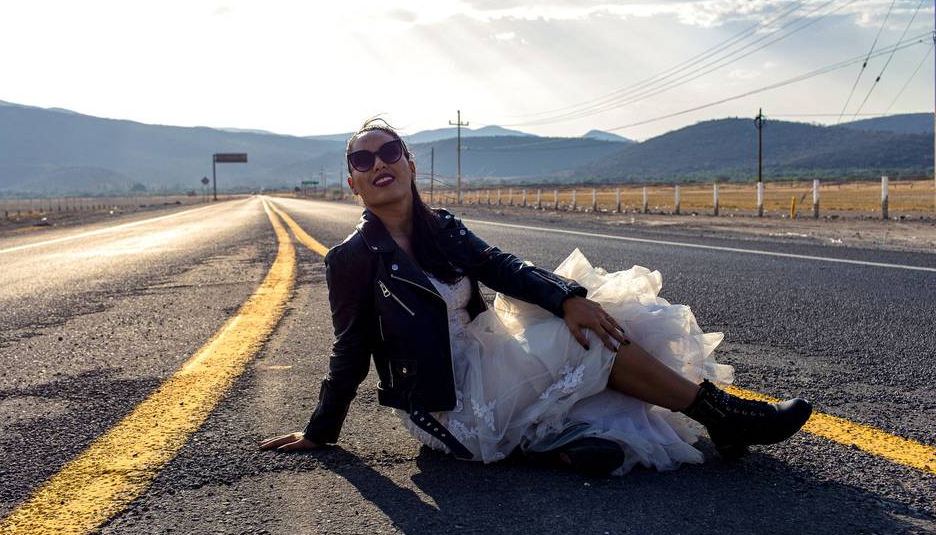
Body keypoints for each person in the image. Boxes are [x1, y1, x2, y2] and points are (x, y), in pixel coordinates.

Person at [260, 119, 812, 476]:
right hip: (445, 404)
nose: (378, 164)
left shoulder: (443, 229)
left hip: (489, 357)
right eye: (362, 161)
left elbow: (502, 267)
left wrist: (568, 297)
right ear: (353, 184)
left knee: (596, 317)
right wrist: (320, 431)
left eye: (388, 152)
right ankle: (723, 415)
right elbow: (351, 349)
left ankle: (565, 440)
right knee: (590, 346)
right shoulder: (352, 259)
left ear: (409, 163)